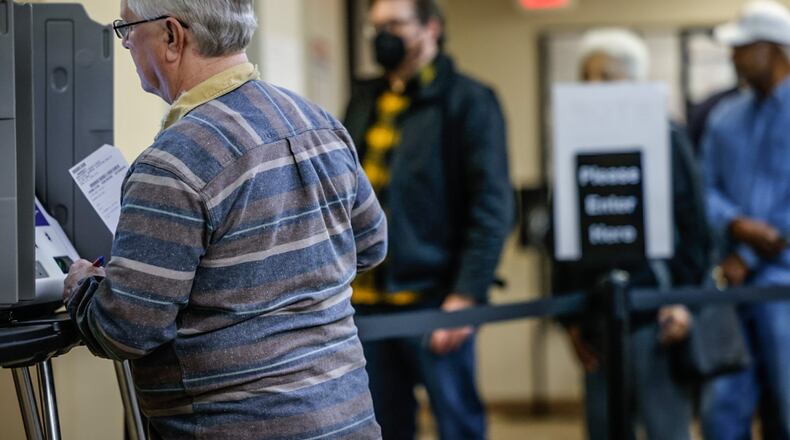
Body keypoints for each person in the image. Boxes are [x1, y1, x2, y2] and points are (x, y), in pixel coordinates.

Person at [62, 1, 387, 439]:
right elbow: (371, 243)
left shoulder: (173, 162)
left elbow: (126, 329)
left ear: (172, 36)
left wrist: (83, 287)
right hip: (347, 419)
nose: (125, 42)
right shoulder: (318, 123)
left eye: (127, 28)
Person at [343, 0, 514, 438]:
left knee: (457, 424)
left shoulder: (470, 101)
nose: (384, 36)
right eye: (377, 27)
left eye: (396, 25)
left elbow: (492, 207)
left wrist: (466, 295)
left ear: (431, 29)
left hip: (436, 302)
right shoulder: (364, 99)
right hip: (365, 305)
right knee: (380, 427)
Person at [552, 28, 710, 440]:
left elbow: (695, 229)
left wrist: (685, 302)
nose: (594, 87)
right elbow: (562, 236)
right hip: (595, 319)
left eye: (607, 76)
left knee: (665, 427)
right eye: (587, 77)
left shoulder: (667, 137)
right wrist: (568, 318)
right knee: (604, 427)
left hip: (656, 316)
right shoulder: (574, 142)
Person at [701, 1, 790, 438]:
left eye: (742, 47)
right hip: (732, 291)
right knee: (723, 412)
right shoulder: (723, 118)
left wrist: (748, 255)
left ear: (774, 50)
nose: (733, 57)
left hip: (783, 287)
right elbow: (703, 188)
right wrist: (736, 226)